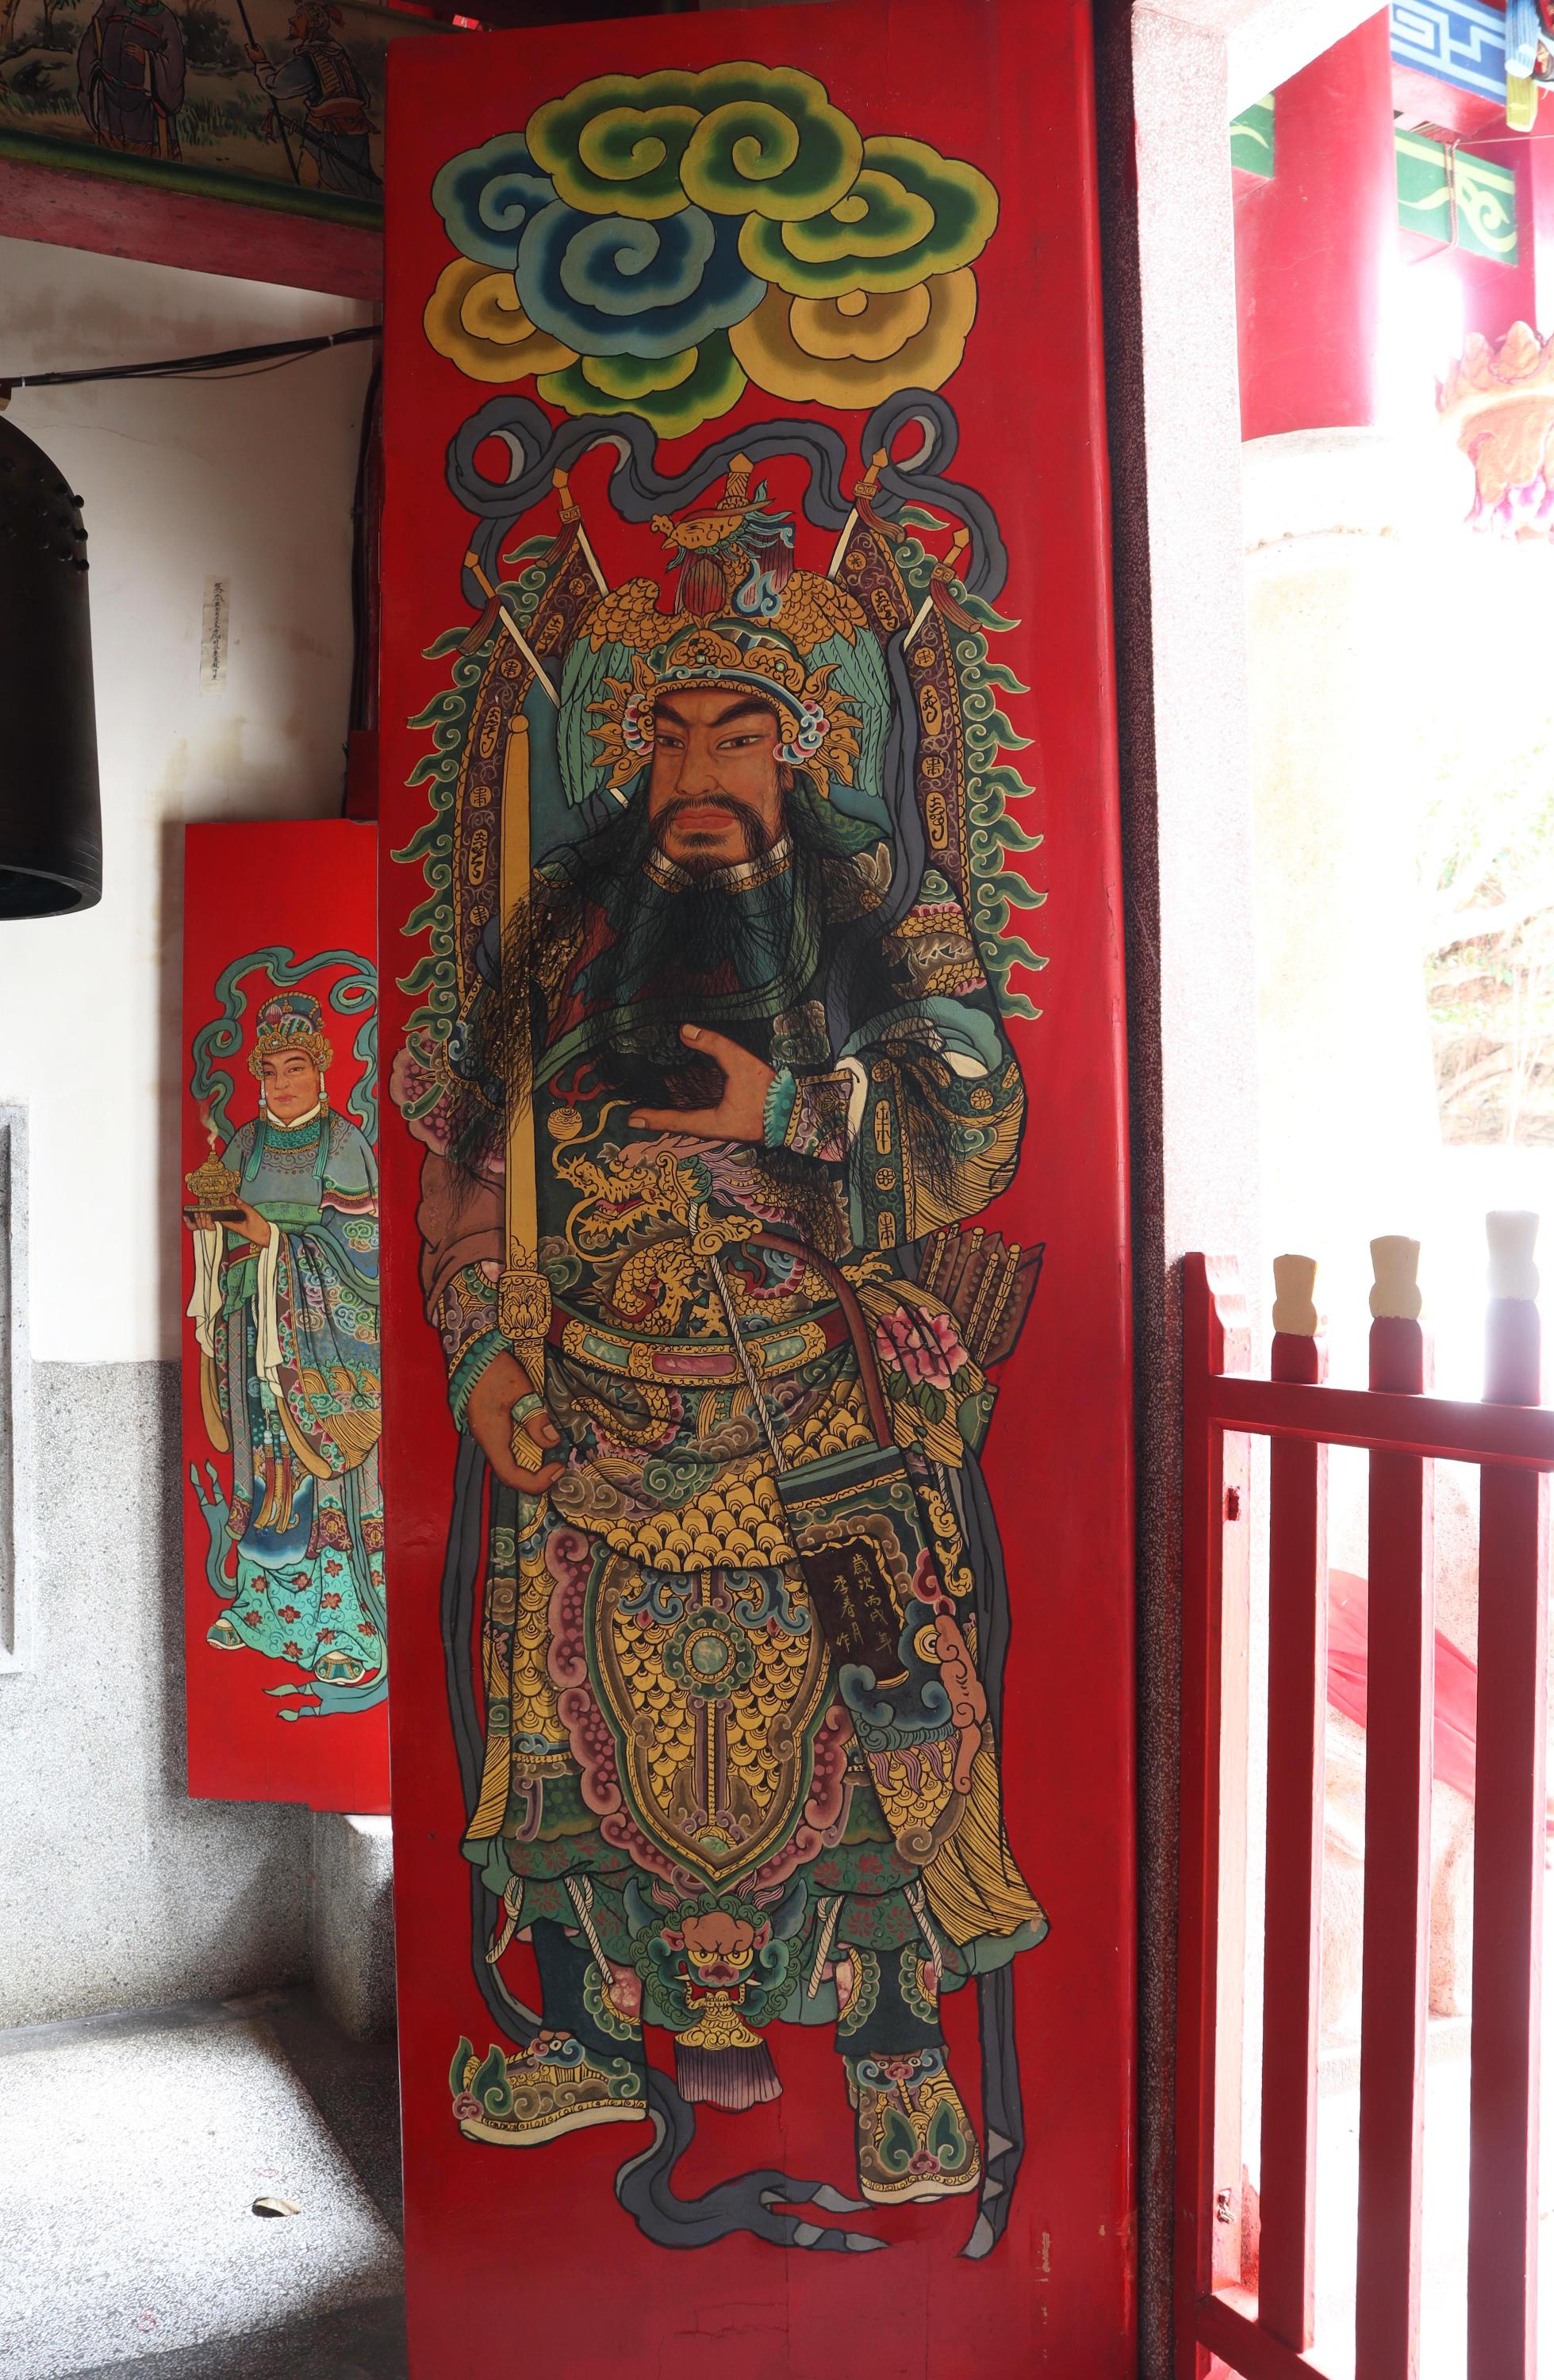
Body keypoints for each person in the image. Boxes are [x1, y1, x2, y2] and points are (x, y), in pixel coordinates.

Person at [407, 478, 1046, 2207]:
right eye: (669, 734)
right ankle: (588, 2026)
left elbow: (976, 1121)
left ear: (801, 749)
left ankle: (898, 2052)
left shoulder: (880, 915)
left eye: (739, 734)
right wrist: (481, 1353)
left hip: (815, 1418)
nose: (699, 768)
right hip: (600, 1402)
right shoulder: (557, 937)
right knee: (560, 1703)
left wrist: (799, 1109)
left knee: (879, 1702)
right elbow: (468, 1174)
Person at [186, 992, 385, 1718]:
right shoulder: (245, 1144)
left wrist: (270, 1237)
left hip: (321, 1339)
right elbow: (224, 1224)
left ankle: (343, 1626)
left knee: (318, 1472)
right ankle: (260, 1607)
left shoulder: (344, 1144)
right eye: (269, 1072)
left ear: (321, 1070)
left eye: (295, 1068)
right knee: (260, 1463)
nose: (281, 1084)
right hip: (250, 1327)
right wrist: (215, 1228)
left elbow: (363, 1251)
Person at [246, 2, 380, 200]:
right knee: (358, 187)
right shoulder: (339, 56)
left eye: (298, 17)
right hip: (356, 133)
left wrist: (260, 62)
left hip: (330, 134)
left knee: (333, 191)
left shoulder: (312, 59)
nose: (291, 20)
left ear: (312, 24)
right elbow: (364, 96)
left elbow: (277, 87)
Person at [77, 0, 185, 160]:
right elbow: (93, 39)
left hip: (145, 115)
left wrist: (147, 59)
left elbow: (175, 67)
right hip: (109, 104)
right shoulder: (113, 5)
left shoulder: (165, 19)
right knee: (107, 159)